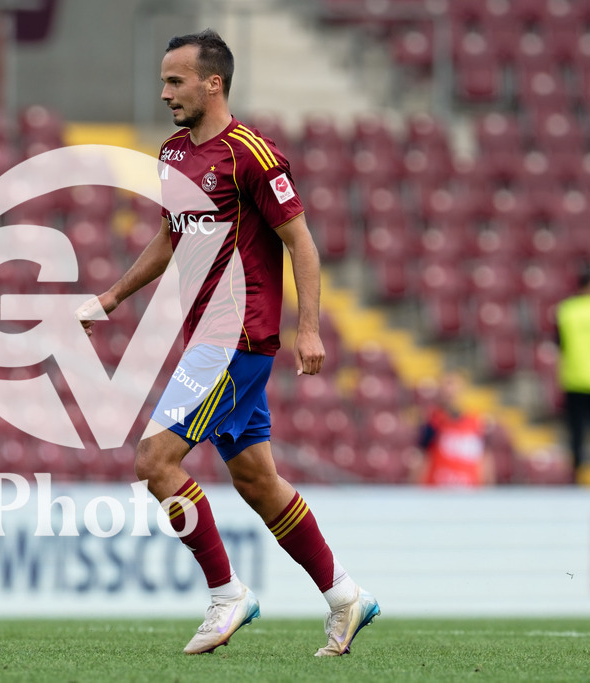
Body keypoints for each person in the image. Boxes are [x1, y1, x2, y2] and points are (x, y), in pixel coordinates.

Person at [77, 29, 378, 656]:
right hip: (205, 338)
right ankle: (345, 595)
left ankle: (226, 594)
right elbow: (169, 238)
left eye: (176, 81)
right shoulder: (172, 155)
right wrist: (112, 297)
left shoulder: (253, 155)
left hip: (237, 337)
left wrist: (311, 326)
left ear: (213, 82)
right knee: (256, 480)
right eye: (163, 81)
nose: (164, 93)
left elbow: (302, 244)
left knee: (155, 462)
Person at [555, 264, 590, 484]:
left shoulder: (567, 311)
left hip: (575, 379)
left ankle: (576, 480)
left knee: (577, 436)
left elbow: (559, 343)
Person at [415, 374, 494, 487]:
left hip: (469, 492)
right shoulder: (433, 422)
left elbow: (485, 458)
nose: (450, 392)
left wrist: (487, 487)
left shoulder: (476, 423)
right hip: (437, 491)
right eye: (446, 388)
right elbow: (422, 458)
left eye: (453, 387)